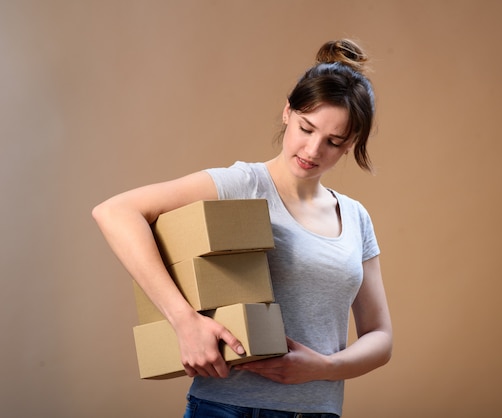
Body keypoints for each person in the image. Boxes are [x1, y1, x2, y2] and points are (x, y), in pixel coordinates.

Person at [92, 39, 392, 418]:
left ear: (350, 145)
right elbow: (115, 212)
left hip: (317, 411)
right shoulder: (244, 184)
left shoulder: (354, 216)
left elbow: (380, 337)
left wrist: (323, 368)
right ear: (287, 112)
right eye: (306, 128)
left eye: (333, 141)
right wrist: (185, 321)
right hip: (227, 407)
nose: (313, 150)